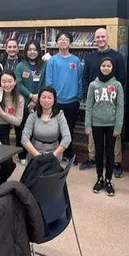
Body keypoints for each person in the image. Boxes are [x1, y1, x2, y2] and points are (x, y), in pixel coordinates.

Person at [80, 27, 126, 178]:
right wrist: (89, 94)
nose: (100, 39)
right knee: (93, 134)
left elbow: (122, 78)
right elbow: (85, 77)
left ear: (107, 37)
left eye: (102, 37)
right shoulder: (89, 57)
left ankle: (116, 162)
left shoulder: (117, 56)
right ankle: (92, 158)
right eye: (97, 37)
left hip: (111, 100)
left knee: (114, 136)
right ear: (95, 39)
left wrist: (111, 92)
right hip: (95, 98)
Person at [85, 57, 124, 196]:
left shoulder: (117, 85)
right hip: (96, 124)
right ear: (99, 67)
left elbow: (120, 107)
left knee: (110, 153)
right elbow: (89, 106)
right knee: (99, 152)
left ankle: (108, 179)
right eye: (103, 65)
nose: (106, 68)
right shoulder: (93, 85)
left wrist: (118, 127)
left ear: (112, 68)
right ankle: (99, 178)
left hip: (111, 124)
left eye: (109, 65)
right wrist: (87, 125)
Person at [0, 70, 24, 197]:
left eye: (10, 81)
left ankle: (1, 185)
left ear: (15, 81)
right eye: (4, 81)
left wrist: (1, 112)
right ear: (0, 82)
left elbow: (18, 122)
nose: (7, 84)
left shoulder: (19, 98)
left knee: (8, 163)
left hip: (5, 130)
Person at [46, 31, 82, 163]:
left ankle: (68, 153)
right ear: (56, 43)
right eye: (60, 39)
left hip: (72, 101)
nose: (63, 41)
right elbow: (48, 81)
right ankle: (56, 154)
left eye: (66, 39)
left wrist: (78, 97)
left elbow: (79, 80)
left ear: (70, 43)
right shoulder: (52, 61)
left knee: (69, 129)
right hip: (56, 101)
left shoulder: (76, 61)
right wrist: (51, 98)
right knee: (56, 129)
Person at [14, 39, 46, 165]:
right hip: (24, 102)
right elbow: (18, 84)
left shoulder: (44, 65)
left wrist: (38, 98)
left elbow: (45, 82)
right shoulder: (21, 65)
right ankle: (21, 153)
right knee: (22, 129)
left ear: (38, 51)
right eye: (30, 50)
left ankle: (34, 153)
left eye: (35, 49)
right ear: (26, 51)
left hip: (40, 101)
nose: (32, 52)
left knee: (37, 129)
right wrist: (31, 96)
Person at [21, 86, 71, 160]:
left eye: (50, 98)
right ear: (39, 99)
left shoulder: (60, 115)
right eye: (43, 97)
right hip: (34, 154)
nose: (46, 100)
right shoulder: (33, 115)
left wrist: (53, 155)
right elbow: (24, 138)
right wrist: (37, 155)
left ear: (54, 100)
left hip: (54, 155)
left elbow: (67, 138)